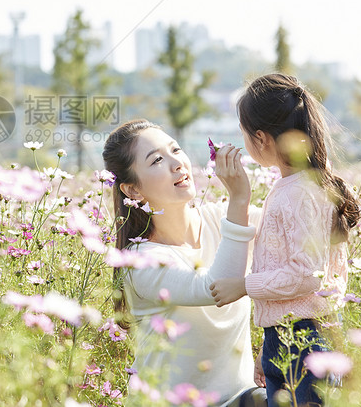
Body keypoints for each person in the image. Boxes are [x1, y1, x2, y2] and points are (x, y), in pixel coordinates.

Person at [210, 74, 361, 407]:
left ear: (261, 138)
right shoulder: (296, 187)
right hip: (291, 336)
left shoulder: (298, 194)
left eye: (244, 133)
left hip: (305, 342)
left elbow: (308, 276)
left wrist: (244, 286)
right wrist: (270, 341)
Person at [102, 119, 267, 407]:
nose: (177, 163)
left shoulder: (218, 220)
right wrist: (238, 197)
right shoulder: (139, 260)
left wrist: (276, 333)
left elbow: (294, 231)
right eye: (156, 161)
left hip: (240, 399)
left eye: (175, 150)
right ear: (133, 191)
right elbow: (215, 288)